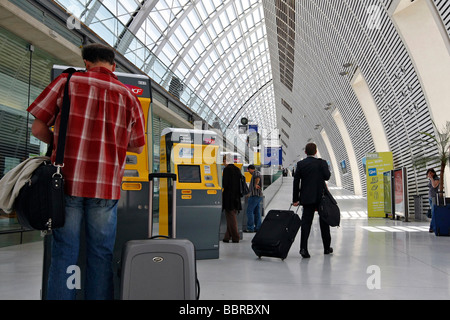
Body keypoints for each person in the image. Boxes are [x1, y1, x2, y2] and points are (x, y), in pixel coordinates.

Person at [27, 43, 146, 299]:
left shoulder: (66, 83)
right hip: (106, 188)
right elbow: (137, 148)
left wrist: (61, 143)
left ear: (86, 62)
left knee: (64, 253)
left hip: (66, 184)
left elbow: (37, 129)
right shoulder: (128, 96)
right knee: (101, 255)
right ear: (113, 66)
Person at [292, 143, 331, 258]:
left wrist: (295, 199)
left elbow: (296, 182)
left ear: (305, 152)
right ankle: (327, 248)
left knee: (306, 223)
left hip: (307, 198)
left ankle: (303, 249)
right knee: (324, 222)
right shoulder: (322, 163)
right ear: (316, 151)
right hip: (321, 197)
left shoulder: (300, 164)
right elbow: (327, 176)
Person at [222, 154, 242, 243]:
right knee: (230, 216)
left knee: (231, 216)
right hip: (236, 197)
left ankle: (235, 237)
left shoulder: (227, 170)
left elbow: (225, 184)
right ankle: (227, 236)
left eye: (224, 161)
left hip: (228, 197)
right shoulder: (237, 169)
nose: (223, 163)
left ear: (226, 161)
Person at [245, 164, 263, 233]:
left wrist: (256, 184)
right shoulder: (257, 173)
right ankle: (258, 227)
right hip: (257, 196)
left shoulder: (256, 173)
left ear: (250, 169)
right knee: (257, 212)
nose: (248, 171)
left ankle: (250, 228)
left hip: (255, 196)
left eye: (248, 170)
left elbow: (257, 178)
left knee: (249, 211)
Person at [426, 168, 440, 233]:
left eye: (431, 173)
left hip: (434, 197)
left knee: (433, 212)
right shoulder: (430, 180)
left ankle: (432, 227)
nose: (430, 174)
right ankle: (433, 227)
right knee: (432, 212)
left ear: (434, 173)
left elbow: (434, 186)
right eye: (429, 173)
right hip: (430, 197)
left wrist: (431, 178)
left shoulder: (436, 179)